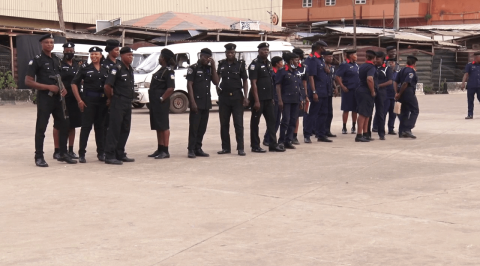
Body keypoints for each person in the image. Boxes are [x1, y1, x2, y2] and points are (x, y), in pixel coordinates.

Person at [25, 33, 77, 166]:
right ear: (41, 44)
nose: (49, 45)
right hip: (45, 98)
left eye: (51, 42)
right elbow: (28, 81)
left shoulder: (56, 59)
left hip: (58, 99)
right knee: (41, 127)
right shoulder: (36, 60)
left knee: (64, 124)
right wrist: (47, 87)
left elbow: (59, 77)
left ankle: (63, 153)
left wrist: (63, 88)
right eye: (47, 42)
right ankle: (39, 157)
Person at [71, 46, 109, 163]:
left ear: (101, 55)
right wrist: (79, 100)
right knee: (86, 127)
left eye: (96, 54)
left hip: (102, 101)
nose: (94, 56)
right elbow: (74, 84)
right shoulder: (85, 68)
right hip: (88, 101)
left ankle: (101, 153)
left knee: (100, 128)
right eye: (92, 54)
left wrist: (109, 98)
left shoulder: (106, 69)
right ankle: (82, 153)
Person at [249, 42, 285, 153]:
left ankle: (273, 144)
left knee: (272, 121)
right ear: (259, 51)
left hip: (269, 98)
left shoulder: (269, 64)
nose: (266, 52)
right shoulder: (254, 65)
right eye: (264, 50)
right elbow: (253, 83)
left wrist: (273, 98)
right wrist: (256, 100)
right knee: (255, 123)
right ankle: (255, 145)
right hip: (258, 99)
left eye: (267, 50)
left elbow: (271, 82)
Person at [103, 47, 136, 165]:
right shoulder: (116, 68)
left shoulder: (130, 69)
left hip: (127, 102)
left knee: (125, 128)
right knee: (114, 129)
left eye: (132, 55)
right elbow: (107, 86)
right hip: (118, 101)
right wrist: (111, 98)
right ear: (122, 56)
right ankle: (109, 155)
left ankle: (120, 153)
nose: (131, 57)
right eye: (128, 55)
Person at [186, 48, 220, 158]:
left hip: (206, 102)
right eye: (205, 57)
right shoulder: (193, 68)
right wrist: (192, 102)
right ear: (200, 56)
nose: (207, 60)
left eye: (209, 58)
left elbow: (216, 82)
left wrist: (213, 67)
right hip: (196, 102)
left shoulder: (209, 69)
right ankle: (191, 149)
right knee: (194, 127)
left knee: (202, 127)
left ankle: (198, 148)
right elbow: (189, 85)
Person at [216, 43, 249, 156]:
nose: (230, 54)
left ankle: (240, 148)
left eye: (232, 53)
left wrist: (245, 96)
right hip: (224, 97)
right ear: (226, 53)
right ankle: (225, 147)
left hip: (237, 97)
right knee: (224, 123)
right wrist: (217, 87)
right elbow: (217, 78)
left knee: (238, 124)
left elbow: (245, 81)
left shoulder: (240, 65)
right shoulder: (221, 64)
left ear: (235, 53)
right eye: (228, 53)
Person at [53, 42, 82, 159]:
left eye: (71, 51)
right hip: (62, 99)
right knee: (59, 125)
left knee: (72, 125)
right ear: (63, 51)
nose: (69, 53)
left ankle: (70, 150)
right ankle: (57, 150)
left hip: (74, 99)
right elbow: (56, 79)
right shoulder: (59, 64)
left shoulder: (77, 65)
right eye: (67, 51)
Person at [147, 49, 176, 159]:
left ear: (163, 58)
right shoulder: (161, 70)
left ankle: (165, 150)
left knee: (164, 126)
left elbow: (171, 88)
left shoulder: (169, 71)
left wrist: (161, 98)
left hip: (161, 102)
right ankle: (160, 148)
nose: (159, 58)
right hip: (155, 102)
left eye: (160, 56)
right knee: (158, 126)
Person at [303, 40, 332, 143]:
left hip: (324, 90)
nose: (325, 50)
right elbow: (311, 77)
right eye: (324, 48)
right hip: (317, 91)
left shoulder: (321, 60)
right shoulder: (312, 60)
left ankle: (321, 135)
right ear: (320, 48)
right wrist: (314, 92)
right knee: (313, 114)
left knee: (324, 113)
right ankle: (307, 135)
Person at [276, 52, 302, 149]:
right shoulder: (282, 71)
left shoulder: (295, 71)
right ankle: (281, 141)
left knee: (293, 120)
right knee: (285, 120)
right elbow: (278, 86)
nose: (297, 62)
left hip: (295, 100)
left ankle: (288, 140)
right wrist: (279, 100)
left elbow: (298, 86)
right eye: (296, 60)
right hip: (286, 100)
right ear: (290, 61)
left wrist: (301, 99)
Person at [355, 50, 377, 142]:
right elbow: (370, 79)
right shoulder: (371, 67)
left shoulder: (362, 66)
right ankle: (359, 135)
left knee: (367, 113)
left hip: (361, 90)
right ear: (374, 58)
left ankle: (366, 133)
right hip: (366, 91)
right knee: (363, 113)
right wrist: (372, 91)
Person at [336, 49, 360, 135]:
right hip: (347, 90)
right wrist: (342, 86)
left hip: (356, 90)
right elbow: (337, 76)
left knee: (355, 109)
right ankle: (344, 127)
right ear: (350, 56)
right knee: (346, 109)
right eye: (355, 55)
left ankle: (353, 127)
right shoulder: (344, 65)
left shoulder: (356, 65)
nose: (356, 56)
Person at [395, 55, 419, 139]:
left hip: (401, 92)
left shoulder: (402, 70)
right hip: (408, 92)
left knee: (405, 112)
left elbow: (395, 81)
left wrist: (396, 93)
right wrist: (400, 93)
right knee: (415, 110)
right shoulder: (411, 71)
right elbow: (405, 83)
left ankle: (401, 132)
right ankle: (408, 128)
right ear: (414, 63)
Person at [369, 51, 392, 140]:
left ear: (382, 59)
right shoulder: (372, 67)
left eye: (377, 59)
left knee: (380, 113)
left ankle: (381, 133)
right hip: (371, 91)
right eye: (375, 58)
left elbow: (390, 81)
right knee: (369, 113)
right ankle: (368, 133)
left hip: (381, 92)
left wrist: (378, 86)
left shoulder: (387, 69)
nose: (376, 60)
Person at [262, 56, 284, 147]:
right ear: (277, 64)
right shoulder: (272, 72)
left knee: (277, 120)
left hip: (278, 98)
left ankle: (271, 138)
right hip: (274, 98)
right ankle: (267, 138)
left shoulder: (279, 72)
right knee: (273, 120)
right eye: (281, 62)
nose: (282, 64)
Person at [292, 48, 308, 145]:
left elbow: (304, 82)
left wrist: (305, 95)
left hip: (299, 95)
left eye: (298, 58)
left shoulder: (303, 68)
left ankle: (294, 135)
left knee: (297, 116)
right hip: (288, 95)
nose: (297, 60)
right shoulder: (287, 68)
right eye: (295, 58)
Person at [461, 52, 480, 119]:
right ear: (476, 58)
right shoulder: (469, 65)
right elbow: (466, 74)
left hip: (479, 86)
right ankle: (470, 114)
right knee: (470, 100)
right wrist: (463, 83)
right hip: (471, 86)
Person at [324, 50, 338, 138]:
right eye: (329, 57)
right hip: (323, 92)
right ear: (324, 57)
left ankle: (327, 130)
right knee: (323, 113)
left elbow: (332, 78)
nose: (331, 58)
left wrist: (335, 87)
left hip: (329, 92)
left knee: (330, 113)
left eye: (332, 57)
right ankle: (320, 131)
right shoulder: (322, 66)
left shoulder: (332, 67)